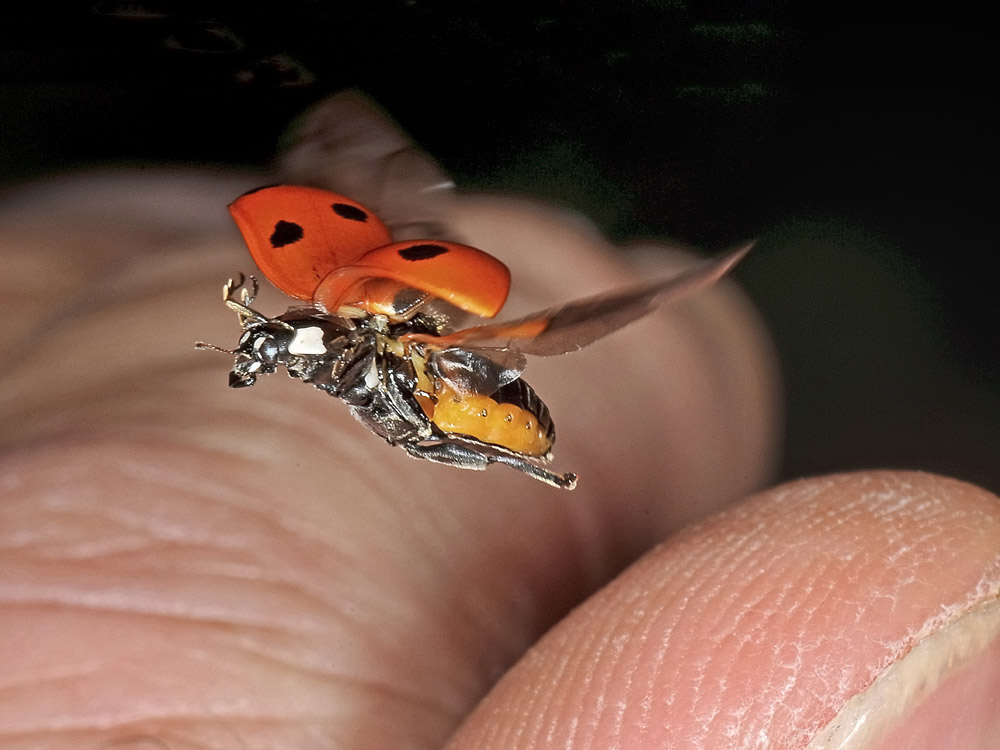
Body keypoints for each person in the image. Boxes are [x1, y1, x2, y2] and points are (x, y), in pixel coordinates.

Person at [0, 164, 997, 748]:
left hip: (491, 398)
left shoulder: (384, 332)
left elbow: (513, 342)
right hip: (444, 335)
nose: (271, 347)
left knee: (430, 423)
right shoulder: (338, 315)